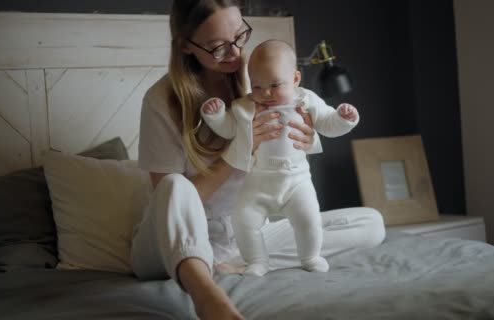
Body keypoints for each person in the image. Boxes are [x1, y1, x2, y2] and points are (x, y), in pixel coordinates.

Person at [130, 0, 386, 319]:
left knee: (371, 224)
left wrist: (306, 136)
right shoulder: (161, 101)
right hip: (167, 242)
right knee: (173, 185)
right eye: (218, 47)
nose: (236, 54)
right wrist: (242, 147)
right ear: (185, 46)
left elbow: (298, 131)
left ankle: (246, 262)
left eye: (240, 36)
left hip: (241, 232)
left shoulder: (262, 75)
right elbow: (172, 201)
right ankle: (207, 294)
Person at [200, 39, 360, 277]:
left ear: (295, 79)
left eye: (275, 85)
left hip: (296, 181)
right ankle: (256, 261)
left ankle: (310, 256)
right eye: (256, 86)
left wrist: (345, 119)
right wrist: (215, 117)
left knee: (308, 219)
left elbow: (328, 123)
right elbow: (229, 129)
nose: (265, 94)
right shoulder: (246, 107)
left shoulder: (306, 101)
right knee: (243, 219)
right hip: (258, 183)